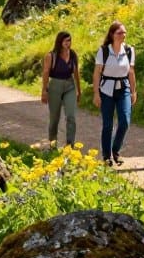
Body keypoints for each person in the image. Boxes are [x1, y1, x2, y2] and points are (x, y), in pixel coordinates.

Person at [92, 20, 137, 166]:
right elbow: (97, 73)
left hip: (123, 88)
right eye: (119, 33)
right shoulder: (104, 51)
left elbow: (131, 72)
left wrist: (133, 91)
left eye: (124, 32)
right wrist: (96, 93)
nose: (123, 35)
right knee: (108, 124)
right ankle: (107, 156)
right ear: (112, 34)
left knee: (125, 121)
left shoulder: (129, 50)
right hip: (106, 90)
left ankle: (116, 150)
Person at [41, 31, 82, 148]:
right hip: (55, 85)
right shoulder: (51, 56)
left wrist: (79, 90)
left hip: (70, 85)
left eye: (69, 40)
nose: (68, 43)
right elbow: (45, 73)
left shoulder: (73, 54)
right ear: (59, 42)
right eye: (65, 41)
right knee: (54, 118)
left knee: (71, 116)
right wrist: (44, 91)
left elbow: (76, 73)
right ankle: (52, 144)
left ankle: (70, 145)